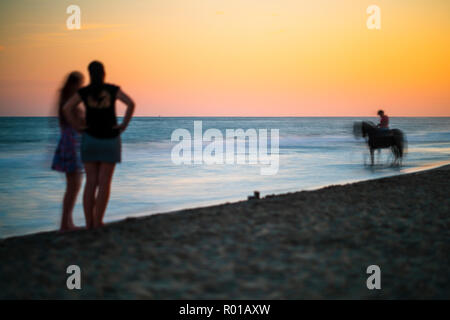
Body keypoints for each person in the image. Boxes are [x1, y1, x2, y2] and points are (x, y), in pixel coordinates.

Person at [63, 61, 135, 229]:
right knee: (104, 182)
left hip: (90, 139)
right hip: (110, 138)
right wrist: (124, 125)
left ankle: (89, 224)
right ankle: (98, 221)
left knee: (90, 182)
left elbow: (67, 108)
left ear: (90, 74)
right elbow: (131, 104)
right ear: (104, 73)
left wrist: (77, 127)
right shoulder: (112, 89)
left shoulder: (84, 92)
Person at [51, 71, 85, 232]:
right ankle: (66, 223)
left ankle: (67, 222)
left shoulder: (64, 101)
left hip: (68, 141)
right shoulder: (70, 103)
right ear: (74, 84)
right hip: (72, 143)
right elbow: (79, 123)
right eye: (80, 84)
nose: (82, 87)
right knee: (74, 185)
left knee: (73, 185)